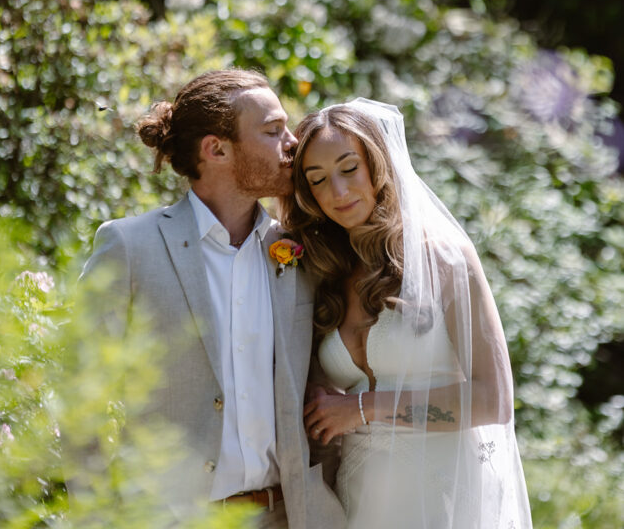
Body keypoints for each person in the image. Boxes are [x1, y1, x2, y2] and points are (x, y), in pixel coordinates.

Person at [76, 69, 345, 529]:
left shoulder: (303, 251)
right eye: (272, 130)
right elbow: (80, 395)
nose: (293, 143)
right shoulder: (130, 248)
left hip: (288, 516)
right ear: (216, 149)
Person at [280, 98, 532, 529]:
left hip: (445, 497)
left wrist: (362, 408)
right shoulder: (324, 273)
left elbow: (495, 400)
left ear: (378, 165)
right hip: (359, 500)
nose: (337, 193)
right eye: (318, 180)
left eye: (348, 169)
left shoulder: (443, 258)